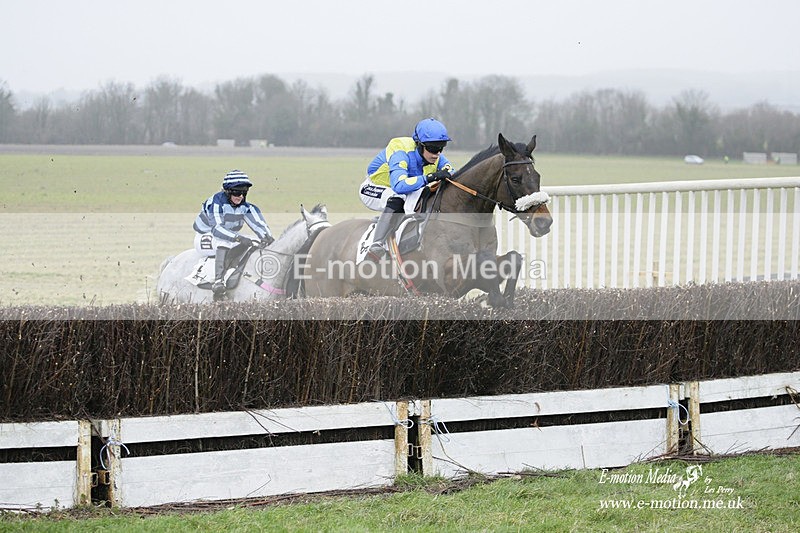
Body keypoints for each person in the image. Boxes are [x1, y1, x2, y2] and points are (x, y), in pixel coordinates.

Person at [358, 118, 455, 259]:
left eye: (441, 147)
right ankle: (376, 244)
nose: (437, 153)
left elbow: (452, 172)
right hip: (373, 188)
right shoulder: (400, 152)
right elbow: (399, 185)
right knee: (398, 198)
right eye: (433, 148)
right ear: (420, 145)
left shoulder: (434, 154)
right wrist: (429, 177)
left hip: (401, 188)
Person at [193, 169, 275, 296]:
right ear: (228, 191)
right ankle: (218, 281)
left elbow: (259, 225)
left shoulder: (246, 207)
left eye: (244, 192)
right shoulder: (215, 203)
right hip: (206, 236)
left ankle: (233, 270)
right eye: (237, 192)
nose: (241, 196)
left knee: (254, 241)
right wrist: (238, 238)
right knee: (224, 241)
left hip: (228, 236)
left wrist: (267, 237)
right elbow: (216, 229)